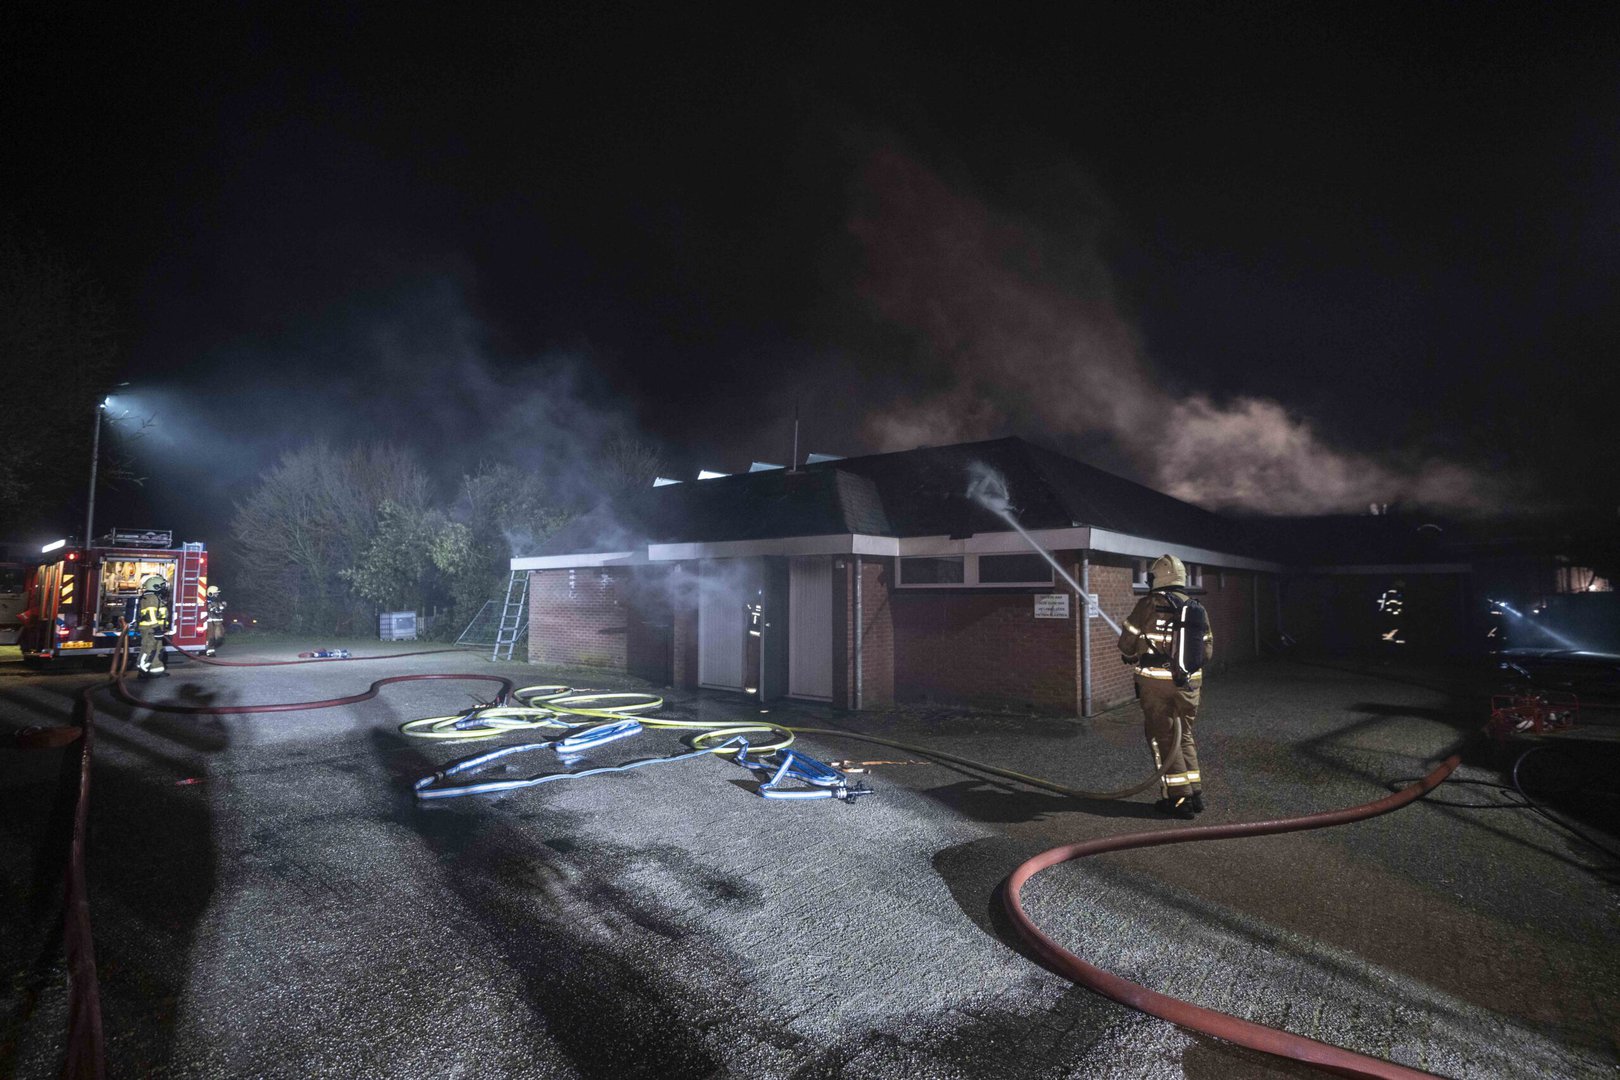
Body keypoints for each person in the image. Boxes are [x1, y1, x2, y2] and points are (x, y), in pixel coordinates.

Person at [1118, 554, 1215, 819]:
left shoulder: (1148, 605)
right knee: (1184, 736)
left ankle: (1178, 800)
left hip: (1156, 684)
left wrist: (1130, 653)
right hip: (1189, 683)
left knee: (1163, 738)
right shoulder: (1197, 607)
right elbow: (1206, 652)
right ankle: (1195, 794)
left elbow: (1126, 643)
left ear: (1157, 578)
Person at [136, 573, 171, 677]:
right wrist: (156, 628)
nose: (164, 588)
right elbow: (151, 614)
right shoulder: (151, 598)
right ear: (155, 586)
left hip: (154, 628)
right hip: (150, 629)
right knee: (149, 649)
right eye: (162, 585)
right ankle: (143, 671)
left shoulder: (153, 597)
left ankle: (156, 670)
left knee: (157, 649)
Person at [204, 584, 226, 656]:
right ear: (210, 594)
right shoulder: (208, 602)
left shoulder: (217, 601)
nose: (217, 594)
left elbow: (220, 609)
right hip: (210, 621)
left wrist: (223, 605)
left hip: (218, 621)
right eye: (216, 593)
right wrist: (217, 608)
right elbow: (212, 609)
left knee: (220, 637)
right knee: (211, 637)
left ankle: (210, 650)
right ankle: (210, 652)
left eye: (217, 593)